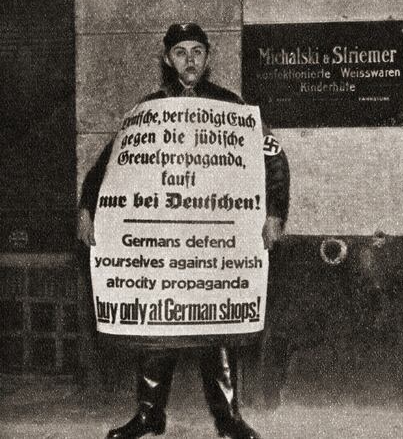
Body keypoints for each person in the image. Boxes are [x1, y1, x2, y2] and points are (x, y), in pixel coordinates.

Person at [77, 23, 290, 439]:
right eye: (180, 52)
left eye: (196, 51)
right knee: (156, 326)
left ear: (208, 57)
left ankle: (229, 418)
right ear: (166, 59)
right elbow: (107, 165)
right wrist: (87, 209)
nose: (189, 60)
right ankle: (149, 415)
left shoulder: (233, 109)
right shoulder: (150, 110)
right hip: (164, 246)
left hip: (215, 243)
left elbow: (274, 159)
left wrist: (275, 213)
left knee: (218, 327)